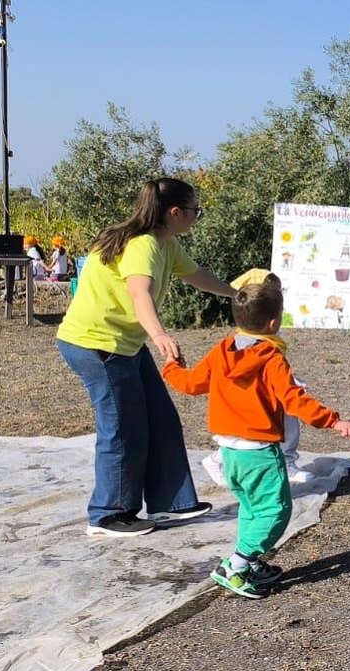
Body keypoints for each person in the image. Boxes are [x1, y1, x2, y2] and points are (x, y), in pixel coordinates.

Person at [55, 178, 236, 537]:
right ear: (174, 213)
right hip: (97, 344)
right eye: (194, 212)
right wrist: (159, 335)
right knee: (123, 429)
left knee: (161, 417)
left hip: (126, 344)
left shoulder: (165, 244)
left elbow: (197, 276)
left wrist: (236, 295)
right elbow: (140, 294)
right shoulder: (142, 246)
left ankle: (171, 502)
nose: (195, 218)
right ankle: (108, 514)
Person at [162, 281, 350, 598]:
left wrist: (171, 367)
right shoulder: (271, 359)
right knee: (276, 511)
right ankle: (236, 565)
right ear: (274, 323)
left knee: (251, 508)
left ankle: (248, 561)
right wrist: (334, 421)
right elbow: (294, 400)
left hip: (229, 454)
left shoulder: (222, 351)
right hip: (260, 454)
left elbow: (191, 384)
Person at [199, 270, 316, 487]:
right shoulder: (248, 342)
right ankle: (223, 458)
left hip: (254, 414)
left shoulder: (261, 336)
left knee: (280, 420)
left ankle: (280, 461)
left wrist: (291, 382)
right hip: (252, 415)